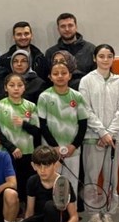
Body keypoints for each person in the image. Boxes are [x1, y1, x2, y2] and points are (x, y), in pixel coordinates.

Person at [79, 44, 119, 222]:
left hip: (114, 139)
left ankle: (108, 213)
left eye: (109, 56)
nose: (105, 59)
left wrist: (111, 133)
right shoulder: (87, 80)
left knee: (111, 178)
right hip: (93, 137)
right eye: (101, 56)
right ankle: (93, 214)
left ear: (113, 58)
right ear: (95, 58)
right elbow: (86, 109)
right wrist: (102, 132)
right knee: (91, 177)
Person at [11, 146, 79, 222]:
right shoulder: (32, 181)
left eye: (47, 166)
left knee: (50, 206)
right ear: (33, 166)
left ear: (55, 165)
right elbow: (30, 211)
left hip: (58, 219)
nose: (42, 170)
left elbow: (74, 216)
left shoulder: (63, 183)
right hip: (41, 219)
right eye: (39, 166)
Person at [0, 72, 40, 206]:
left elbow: (37, 130)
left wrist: (23, 123)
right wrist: (12, 148)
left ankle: (25, 209)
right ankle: (9, 211)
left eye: (19, 85)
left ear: (24, 87)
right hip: (6, 152)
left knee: (24, 183)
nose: (16, 88)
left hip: (27, 152)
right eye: (12, 85)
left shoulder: (31, 106)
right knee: (8, 184)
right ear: (6, 88)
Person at [36, 59, 89, 189]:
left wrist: (74, 145)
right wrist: (54, 147)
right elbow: (42, 125)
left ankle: (72, 203)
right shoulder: (44, 97)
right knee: (51, 184)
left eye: (64, 73)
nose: (60, 76)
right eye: (55, 73)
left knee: (71, 185)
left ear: (69, 76)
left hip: (72, 150)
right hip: (50, 150)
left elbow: (83, 124)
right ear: (50, 77)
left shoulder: (77, 96)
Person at [43, 14, 96, 88]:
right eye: (63, 26)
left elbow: (96, 76)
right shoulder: (50, 53)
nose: (67, 29)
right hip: (60, 92)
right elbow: (48, 80)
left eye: (70, 25)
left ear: (76, 27)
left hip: (86, 90)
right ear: (58, 29)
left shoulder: (90, 49)